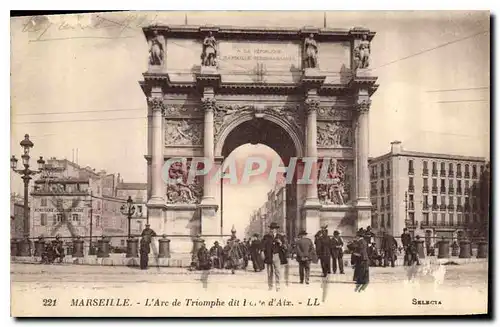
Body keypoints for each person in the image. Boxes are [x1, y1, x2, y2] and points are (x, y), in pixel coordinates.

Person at [261, 222, 288, 291]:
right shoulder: (266, 237)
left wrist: (281, 243)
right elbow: (262, 246)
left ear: (276, 229)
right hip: (269, 255)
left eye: (274, 229)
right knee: (270, 271)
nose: (272, 230)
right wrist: (262, 252)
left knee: (278, 271)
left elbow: (285, 247)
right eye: (271, 228)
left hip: (277, 255)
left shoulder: (280, 237)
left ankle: (278, 285)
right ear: (270, 229)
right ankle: (270, 286)